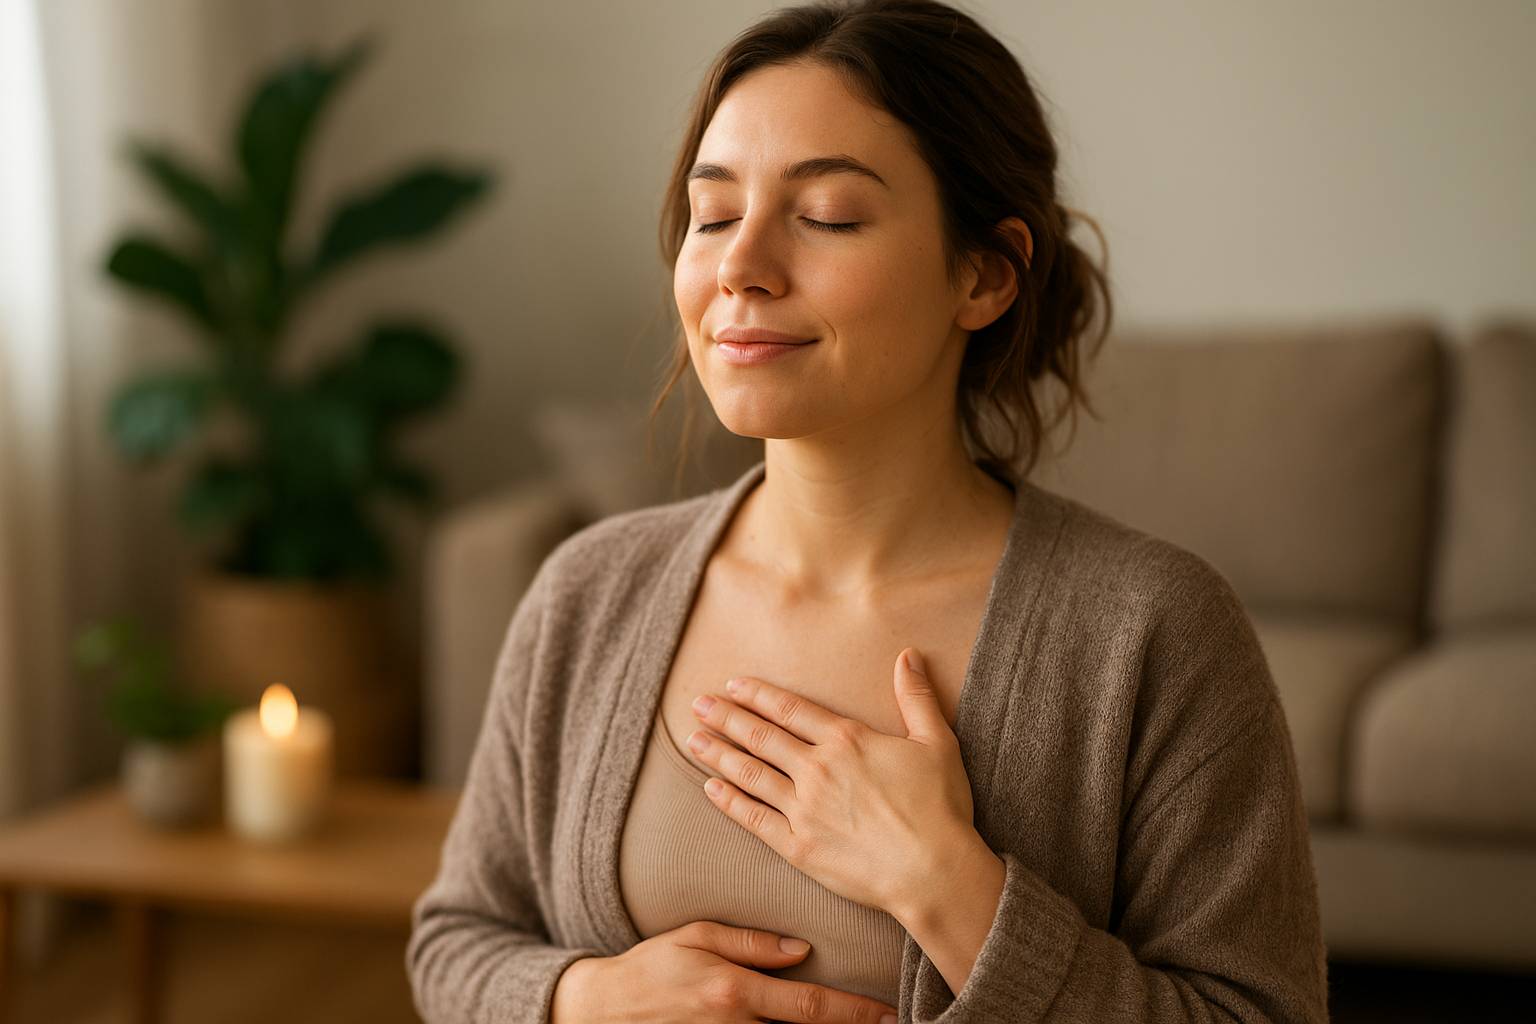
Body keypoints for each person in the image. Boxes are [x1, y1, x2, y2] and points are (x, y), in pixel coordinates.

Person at [406, 2, 1331, 1022]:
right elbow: (455, 939)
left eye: (829, 216)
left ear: (984, 274)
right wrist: (581, 999)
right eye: (713, 215)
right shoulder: (588, 591)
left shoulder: (1153, 629)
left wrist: (948, 886)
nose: (740, 267)